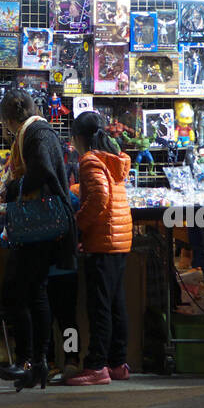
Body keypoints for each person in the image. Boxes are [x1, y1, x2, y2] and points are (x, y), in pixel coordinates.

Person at [0, 88, 76, 392]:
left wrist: (14, 188)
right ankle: (36, 364)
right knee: (34, 291)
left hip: (38, 225)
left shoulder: (36, 133)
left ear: (10, 119)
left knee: (17, 291)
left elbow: (40, 171)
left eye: (4, 122)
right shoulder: (42, 131)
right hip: (43, 224)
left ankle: (29, 361)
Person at [66, 110, 133, 386]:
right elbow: (103, 191)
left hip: (103, 239)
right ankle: (117, 363)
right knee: (116, 303)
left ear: (79, 137)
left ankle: (96, 366)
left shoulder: (90, 160)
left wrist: (77, 225)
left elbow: (99, 198)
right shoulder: (112, 158)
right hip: (120, 238)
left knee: (100, 306)